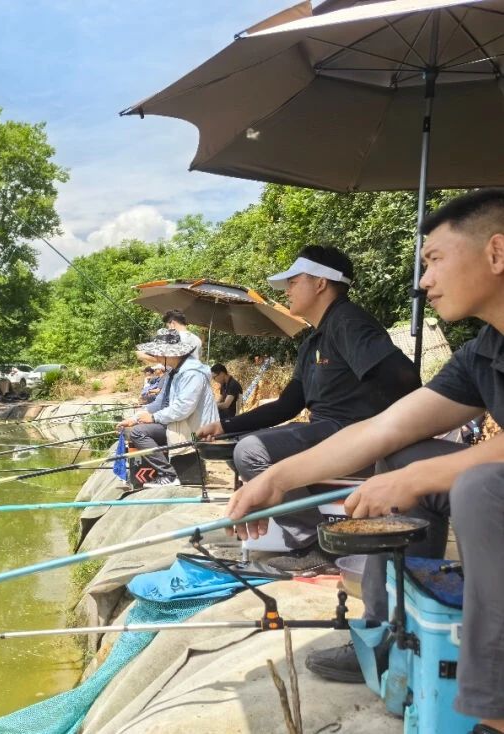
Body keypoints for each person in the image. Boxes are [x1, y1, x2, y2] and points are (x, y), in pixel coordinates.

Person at [226, 189, 504, 733]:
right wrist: (274, 480)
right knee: (402, 453)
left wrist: (419, 475)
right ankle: (389, 630)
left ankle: (492, 713)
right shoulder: (482, 351)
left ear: (496, 252)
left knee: (479, 486)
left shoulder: (350, 323)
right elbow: (385, 427)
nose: (423, 282)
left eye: (434, 260)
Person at [198, 245, 420, 570]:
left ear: (320, 283)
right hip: (324, 431)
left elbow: (405, 378)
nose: (286, 290)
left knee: (250, 452)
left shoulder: (349, 322)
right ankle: (309, 534)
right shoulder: (312, 342)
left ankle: (318, 545)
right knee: (240, 445)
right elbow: (288, 404)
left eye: (293, 281)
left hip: (352, 434)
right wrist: (226, 426)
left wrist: (382, 433)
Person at [116, 328, 219, 487]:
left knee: (138, 433)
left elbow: (183, 408)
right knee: (136, 428)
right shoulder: (174, 372)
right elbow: (159, 403)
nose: (156, 357)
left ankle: (169, 475)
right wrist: (134, 418)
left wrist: (153, 418)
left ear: (169, 354)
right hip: (178, 422)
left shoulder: (191, 373)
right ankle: (167, 472)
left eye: (158, 353)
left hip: (196, 429)